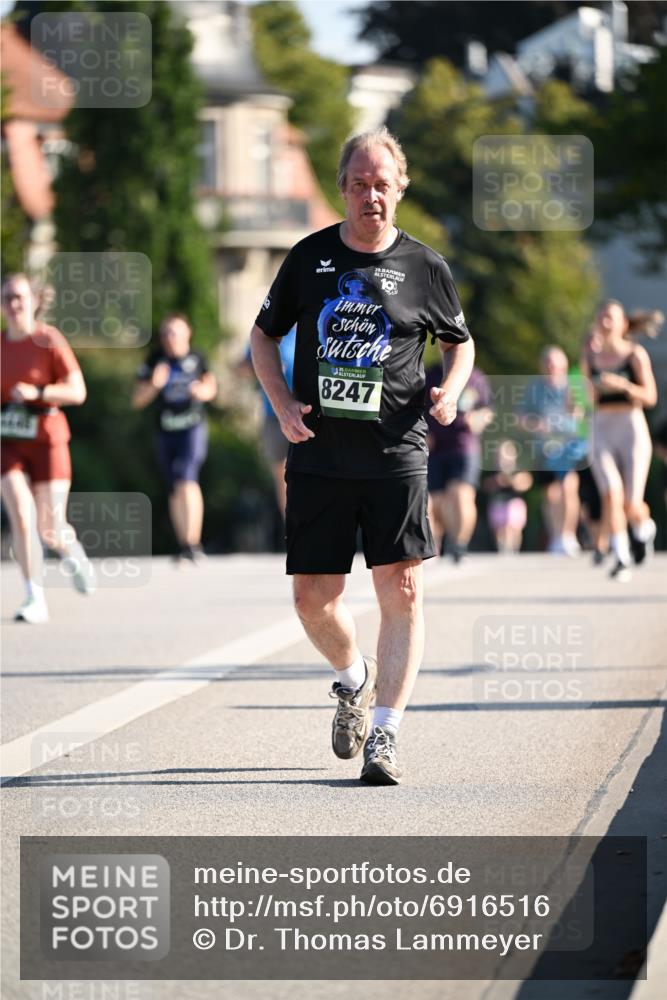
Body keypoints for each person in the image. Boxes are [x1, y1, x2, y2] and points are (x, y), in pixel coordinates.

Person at [250, 127, 474, 785]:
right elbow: (262, 339)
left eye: (381, 184)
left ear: (397, 188)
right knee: (313, 599)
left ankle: (384, 735)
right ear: (343, 187)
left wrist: (451, 391)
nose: (369, 195)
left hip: (396, 450)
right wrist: (284, 406)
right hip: (318, 453)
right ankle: (353, 679)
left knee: (401, 587)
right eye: (358, 183)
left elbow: (458, 343)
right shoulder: (309, 258)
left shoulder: (425, 267)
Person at [1, 272, 95, 624]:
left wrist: (37, 393)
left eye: (19, 297)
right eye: (7, 297)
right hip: (8, 442)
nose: (13, 304)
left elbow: (78, 391)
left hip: (47, 438)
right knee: (21, 516)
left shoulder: (48, 340)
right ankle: (33, 595)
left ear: (34, 300)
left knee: (50, 527)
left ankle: (72, 553)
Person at [582, 301, 660, 580]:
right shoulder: (590, 357)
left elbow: (651, 397)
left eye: (610, 318)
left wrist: (623, 385)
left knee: (631, 503)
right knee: (611, 494)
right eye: (601, 317)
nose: (605, 322)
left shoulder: (635, 355)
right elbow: (587, 398)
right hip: (601, 426)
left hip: (631, 428)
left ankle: (644, 528)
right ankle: (621, 556)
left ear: (623, 324)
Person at [132, 314, 217, 564]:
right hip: (165, 430)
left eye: (176, 333)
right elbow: (137, 400)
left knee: (187, 477)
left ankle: (194, 542)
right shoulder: (155, 361)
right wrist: (154, 384)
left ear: (187, 334)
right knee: (173, 486)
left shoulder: (198, 358)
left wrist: (199, 391)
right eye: (167, 333)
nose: (171, 338)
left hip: (192, 427)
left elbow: (211, 388)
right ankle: (183, 544)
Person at [520, 346, 583, 556]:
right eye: (547, 363)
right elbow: (521, 418)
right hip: (544, 449)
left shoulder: (573, 387)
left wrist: (572, 414)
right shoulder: (534, 388)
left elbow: (582, 414)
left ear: (563, 366)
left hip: (569, 446)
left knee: (569, 486)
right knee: (551, 494)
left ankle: (568, 535)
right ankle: (557, 536)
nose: (551, 367)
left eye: (555, 364)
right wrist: (537, 425)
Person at [424, 363, 491, 561]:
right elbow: (416, 406)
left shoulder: (476, 376)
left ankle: (459, 544)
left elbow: (488, 410)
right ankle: (435, 543)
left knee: (461, 494)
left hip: (463, 446)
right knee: (434, 501)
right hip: (435, 447)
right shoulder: (431, 374)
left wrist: (478, 419)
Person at [239, 326, 296, 518]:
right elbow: (244, 367)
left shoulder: (311, 328)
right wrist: (267, 368)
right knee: (282, 472)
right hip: (275, 414)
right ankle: (290, 523)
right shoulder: (268, 331)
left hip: (308, 413)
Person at [484, 440, 532, 554]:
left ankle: (513, 547)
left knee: (513, 525)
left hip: (514, 502)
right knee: (499, 529)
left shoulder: (518, 470)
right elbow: (486, 486)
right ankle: (502, 547)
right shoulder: (493, 471)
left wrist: (513, 482)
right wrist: (496, 482)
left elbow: (526, 482)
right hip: (498, 503)